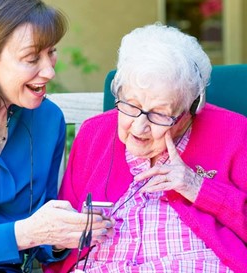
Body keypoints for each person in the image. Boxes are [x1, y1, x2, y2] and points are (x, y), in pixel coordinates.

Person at [0, 0, 114, 272]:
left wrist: (64, 235)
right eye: (31, 58)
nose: (49, 71)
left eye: (51, 52)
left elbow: (44, 237)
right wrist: (27, 233)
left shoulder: (48, 119)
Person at [44, 23, 247, 273]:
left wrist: (198, 187)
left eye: (159, 114)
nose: (139, 127)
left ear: (189, 111)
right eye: (130, 105)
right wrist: (61, 241)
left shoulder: (234, 133)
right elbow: (58, 248)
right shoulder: (94, 134)